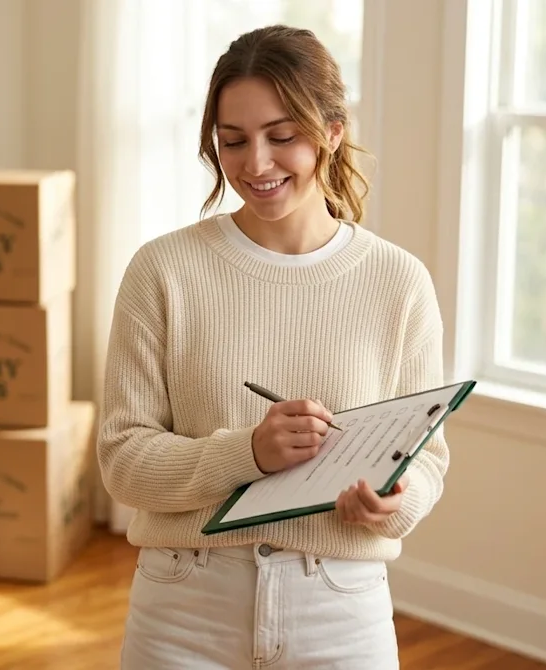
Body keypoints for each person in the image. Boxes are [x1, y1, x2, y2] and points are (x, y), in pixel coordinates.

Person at [96, 24, 451, 670]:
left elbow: (427, 460)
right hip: (184, 609)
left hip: (341, 611)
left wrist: (398, 502)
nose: (255, 164)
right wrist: (247, 452)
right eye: (233, 142)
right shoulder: (163, 271)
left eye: (281, 137)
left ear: (332, 131)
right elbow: (122, 461)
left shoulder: (398, 283)